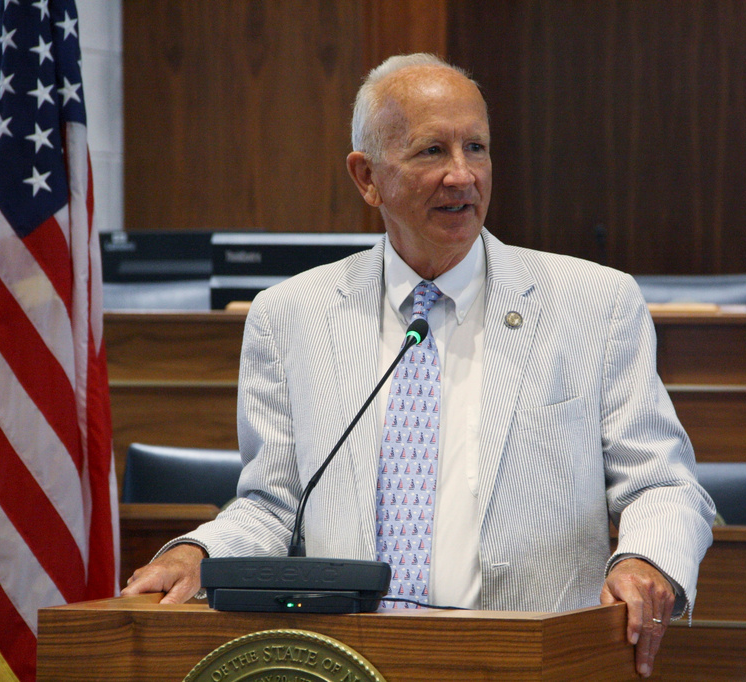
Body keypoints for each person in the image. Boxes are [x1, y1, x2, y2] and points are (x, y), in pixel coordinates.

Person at [123, 53, 715, 678]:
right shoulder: (290, 315)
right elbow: (275, 506)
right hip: (347, 663)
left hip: (531, 664)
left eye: (477, 149)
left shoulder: (594, 303)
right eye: (432, 151)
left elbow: (662, 482)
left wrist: (646, 560)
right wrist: (200, 552)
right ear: (366, 177)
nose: (462, 176)